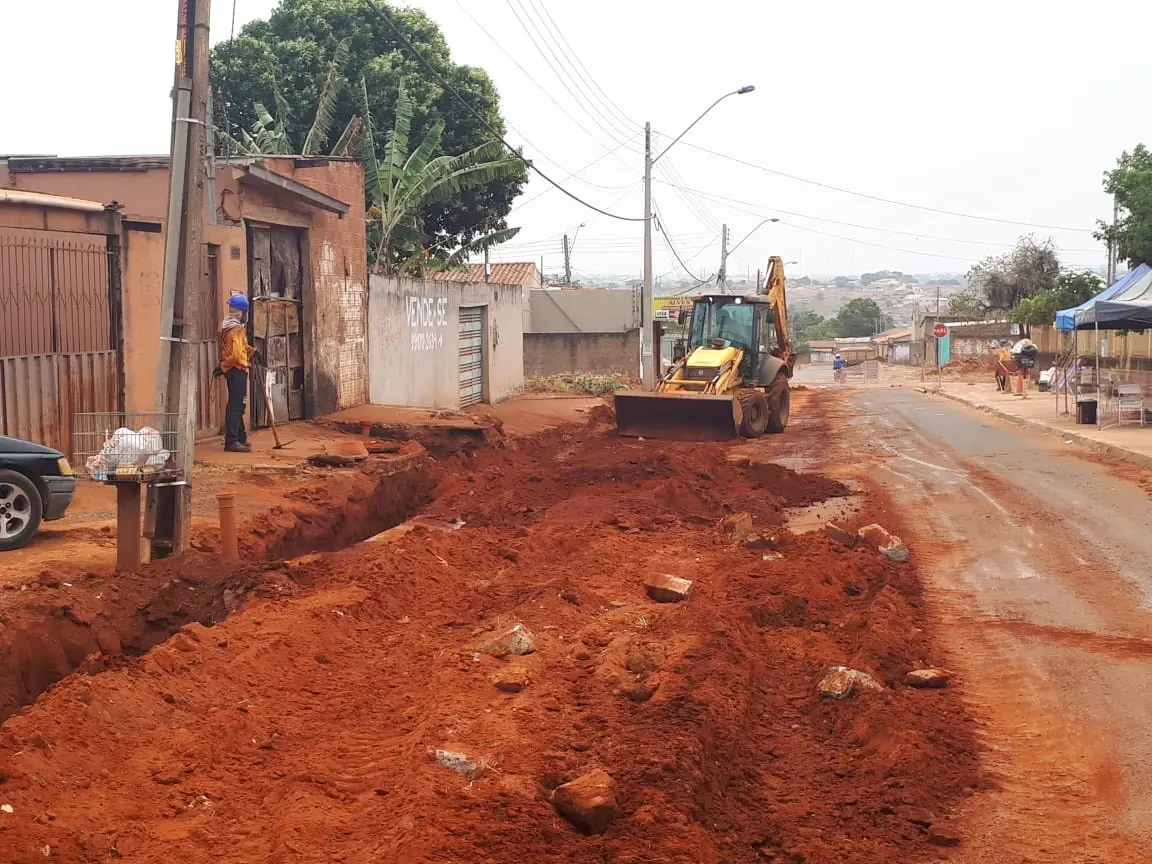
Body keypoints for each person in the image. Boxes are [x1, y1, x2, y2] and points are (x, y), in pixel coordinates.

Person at [214, 293, 257, 453]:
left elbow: (239, 348)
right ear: (242, 312)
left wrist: (252, 351)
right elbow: (237, 355)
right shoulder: (237, 329)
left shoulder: (226, 326)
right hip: (237, 369)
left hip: (231, 370)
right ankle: (231, 441)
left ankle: (240, 438)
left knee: (236, 404)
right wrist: (225, 366)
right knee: (237, 405)